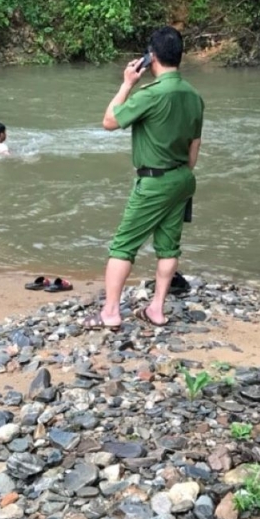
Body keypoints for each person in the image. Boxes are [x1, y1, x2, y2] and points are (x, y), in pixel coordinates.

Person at [84, 26, 204, 330]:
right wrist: (180, 178)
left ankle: (110, 311)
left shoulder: (150, 94)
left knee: (123, 245)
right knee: (168, 246)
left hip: (154, 181)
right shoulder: (194, 96)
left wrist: (126, 84)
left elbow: (109, 121)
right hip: (182, 179)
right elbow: (194, 149)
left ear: (151, 57)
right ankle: (157, 309)